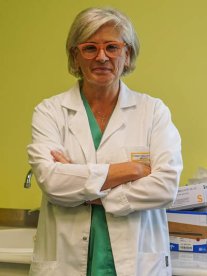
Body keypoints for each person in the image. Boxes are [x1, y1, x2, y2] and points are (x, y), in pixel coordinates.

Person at [27, 7, 183, 276]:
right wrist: (129, 171)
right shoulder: (50, 112)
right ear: (75, 56)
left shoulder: (153, 111)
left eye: (112, 47)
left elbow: (165, 186)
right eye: (89, 48)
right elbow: (52, 181)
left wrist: (80, 181)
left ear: (127, 54)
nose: (101, 57)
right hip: (66, 264)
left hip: (135, 265)